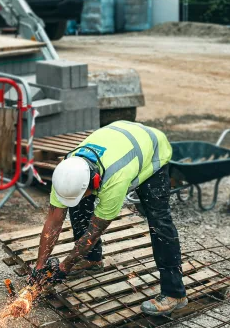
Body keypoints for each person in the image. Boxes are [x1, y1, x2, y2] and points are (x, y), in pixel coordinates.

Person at [32, 120, 187, 316]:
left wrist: (64, 267)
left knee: (159, 221)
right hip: (120, 139)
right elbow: (54, 220)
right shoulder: (67, 171)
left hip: (152, 149)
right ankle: (92, 260)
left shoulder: (115, 180)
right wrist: (39, 266)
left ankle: (175, 292)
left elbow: (93, 232)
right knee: (78, 203)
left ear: (96, 182)